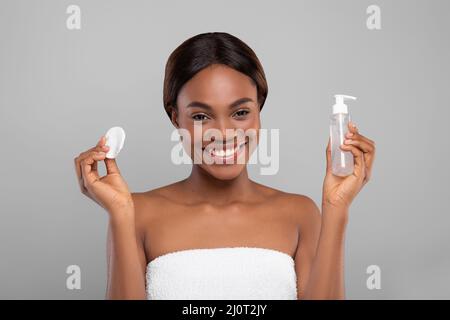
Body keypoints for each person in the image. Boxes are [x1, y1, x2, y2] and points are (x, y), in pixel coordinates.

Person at [73, 32, 376, 300]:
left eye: (241, 112)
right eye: (201, 117)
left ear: (259, 111)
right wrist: (120, 213)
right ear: (175, 117)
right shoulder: (135, 213)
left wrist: (336, 209)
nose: (223, 132)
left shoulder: (300, 214)